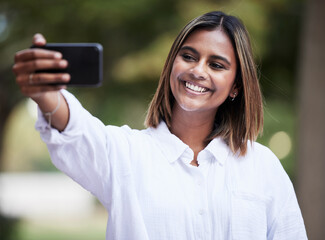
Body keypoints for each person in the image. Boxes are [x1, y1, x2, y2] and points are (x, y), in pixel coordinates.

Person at [13, 11, 307, 240]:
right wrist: (46, 95)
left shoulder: (263, 167)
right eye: (188, 56)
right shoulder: (126, 154)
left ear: (236, 87)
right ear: (172, 64)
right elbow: (76, 132)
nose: (197, 70)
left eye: (216, 65)